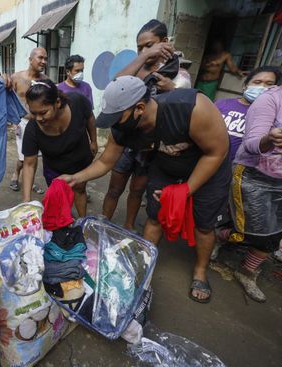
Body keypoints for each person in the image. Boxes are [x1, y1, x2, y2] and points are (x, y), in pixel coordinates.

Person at [60, 76, 231, 303]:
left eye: (116, 118)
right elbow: (105, 162)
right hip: (165, 167)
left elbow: (216, 152)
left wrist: (185, 191)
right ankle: (145, 265)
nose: (114, 125)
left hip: (210, 168)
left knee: (204, 224)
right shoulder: (123, 127)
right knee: (154, 216)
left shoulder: (190, 108)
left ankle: (200, 271)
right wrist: (75, 177)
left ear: (139, 108)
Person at [222, 42, 282, 303]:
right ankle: (215, 235)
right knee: (248, 230)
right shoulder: (271, 100)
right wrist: (269, 139)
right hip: (255, 177)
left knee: (274, 234)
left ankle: (247, 272)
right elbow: (251, 143)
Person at [104, 19, 190, 230]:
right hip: (126, 141)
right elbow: (116, 84)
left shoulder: (178, 74)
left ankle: (128, 227)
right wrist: (142, 57)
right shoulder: (137, 68)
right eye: (139, 47)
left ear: (165, 42)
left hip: (151, 147)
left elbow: (186, 108)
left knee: (136, 191)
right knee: (114, 188)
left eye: (149, 45)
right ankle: (103, 224)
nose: (144, 51)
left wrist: (171, 89)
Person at [22, 79, 96, 217]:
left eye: (43, 112)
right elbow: (29, 164)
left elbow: (90, 118)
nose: (38, 118)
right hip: (54, 168)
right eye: (34, 113)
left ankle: (82, 222)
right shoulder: (32, 129)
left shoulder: (78, 102)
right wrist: (26, 199)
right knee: (59, 199)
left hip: (80, 159)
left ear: (57, 102)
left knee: (80, 190)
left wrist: (94, 141)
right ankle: (65, 223)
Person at [215, 65, 281, 162]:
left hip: (239, 167)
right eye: (257, 82)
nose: (262, 87)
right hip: (209, 160)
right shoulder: (222, 104)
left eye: (269, 84)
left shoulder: (272, 115)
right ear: (245, 86)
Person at [9, 47, 49, 194]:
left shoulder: (46, 81)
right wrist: (14, 122)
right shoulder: (16, 78)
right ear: (31, 59)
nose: (43, 61)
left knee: (33, 157)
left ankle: (29, 181)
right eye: (40, 58)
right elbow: (9, 100)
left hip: (40, 123)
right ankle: (16, 175)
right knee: (23, 158)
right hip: (23, 123)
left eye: (45, 58)